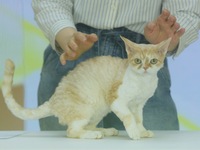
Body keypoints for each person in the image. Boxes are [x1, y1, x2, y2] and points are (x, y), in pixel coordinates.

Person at [32, 0, 200, 131]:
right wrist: (66, 36)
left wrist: (168, 38)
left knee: (152, 142)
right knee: (66, 141)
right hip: (76, 47)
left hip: (141, 56)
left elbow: (187, 8)